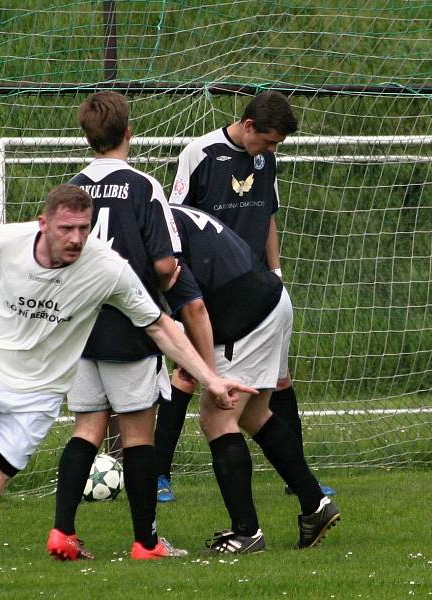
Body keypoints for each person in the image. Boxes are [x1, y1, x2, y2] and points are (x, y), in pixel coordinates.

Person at [0, 184, 255, 596]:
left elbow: (160, 326)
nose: (75, 238)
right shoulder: (8, 242)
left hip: (38, 395)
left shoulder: (107, 269)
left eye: (83, 229)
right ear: (43, 223)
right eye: (66, 228)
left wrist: (212, 380)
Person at [154, 90, 335, 502]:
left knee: (272, 386)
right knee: (189, 376)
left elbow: (267, 216)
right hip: (214, 289)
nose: (270, 149)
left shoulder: (265, 158)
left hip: (258, 292)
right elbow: (175, 220)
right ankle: (159, 474)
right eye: (268, 141)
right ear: (249, 126)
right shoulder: (199, 153)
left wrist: (276, 271)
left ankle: (298, 482)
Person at [47, 91, 186, 562]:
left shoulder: (71, 188)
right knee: (137, 436)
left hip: (80, 327)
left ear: (87, 136)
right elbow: (165, 264)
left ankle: (62, 532)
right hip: (131, 327)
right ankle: (147, 542)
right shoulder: (144, 186)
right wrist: (172, 278)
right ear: (129, 132)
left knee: (86, 428)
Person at [165, 203, 340, 553]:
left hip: (246, 317)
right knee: (254, 415)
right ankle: (314, 505)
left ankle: (246, 532)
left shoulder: (151, 228)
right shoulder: (167, 214)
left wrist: (208, 373)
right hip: (270, 301)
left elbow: (195, 307)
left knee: (217, 418)